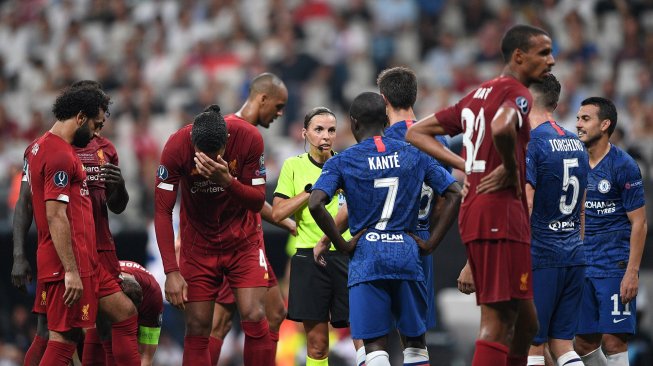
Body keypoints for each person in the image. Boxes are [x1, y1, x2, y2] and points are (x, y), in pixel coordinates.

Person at [406, 24, 555, 366]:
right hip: (498, 211)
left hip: (484, 211)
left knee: (527, 321)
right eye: (544, 53)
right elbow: (503, 127)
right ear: (519, 56)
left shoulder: (478, 94)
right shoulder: (517, 93)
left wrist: (469, 163)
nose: (552, 60)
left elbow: (418, 132)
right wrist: (507, 166)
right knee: (497, 322)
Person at [309, 92, 461, 365]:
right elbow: (454, 192)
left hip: (368, 258)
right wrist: (431, 243)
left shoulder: (342, 160)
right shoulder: (414, 153)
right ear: (386, 121)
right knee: (415, 343)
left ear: (353, 123)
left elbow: (316, 203)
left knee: (375, 345)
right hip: (407, 253)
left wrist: (341, 244)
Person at [14, 81, 140, 366]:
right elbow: (54, 214)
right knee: (61, 338)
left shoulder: (50, 148)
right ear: (80, 117)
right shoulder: (58, 154)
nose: (97, 132)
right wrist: (69, 269)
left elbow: (115, 204)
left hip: (88, 257)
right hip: (68, 262)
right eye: (95, 124)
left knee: (124, 314)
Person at [155, 104, 275, 365]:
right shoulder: (176, 147)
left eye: (216, 153)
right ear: (192, 143)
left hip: (242, 241)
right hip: (198, 246)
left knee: (254, 314)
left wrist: (228, 182)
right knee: (198, 326)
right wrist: (171, 272)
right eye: (202, 154)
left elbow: (257, 202)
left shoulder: (248, 138)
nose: (209, 159)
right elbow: (162, 211)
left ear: (227, 142)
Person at [207, 72, 293, 366]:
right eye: (278, 106)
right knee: (225, 321)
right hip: (233, 242)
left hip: (248, 237)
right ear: (262, 98)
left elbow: (252, 199)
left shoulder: (249, 135)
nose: (280, 113)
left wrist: (287, 223)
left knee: (273, 313)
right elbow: (208, 188)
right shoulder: (230, 131)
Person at [271, 106, 362, 365]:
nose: (325, 136)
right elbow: (277, 213)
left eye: (331, 130)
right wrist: (312, 192)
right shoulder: (293, 166)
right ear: (305, 133)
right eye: (318, 129)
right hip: (308, 258)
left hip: (345, 255)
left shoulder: (347, 164)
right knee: (317, 344)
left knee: (362, 337)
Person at [574, 97, 647, 365]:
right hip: (580, 265)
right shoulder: (573, 161)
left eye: (585, 119)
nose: (578, 124)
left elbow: (639, 222)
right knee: (583, 343)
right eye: (578, 118)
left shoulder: (623, 165)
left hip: (613, 266)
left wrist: (631, 272)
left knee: (614, 340)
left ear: (605, 125)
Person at [524, 74, 588, 366]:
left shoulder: (533, 143)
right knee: (563, 344)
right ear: (556, 102)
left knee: (533, 345)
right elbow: (583, 206)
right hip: (574, 251)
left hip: (541, 253)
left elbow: (527, 201)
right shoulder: (576, 143)